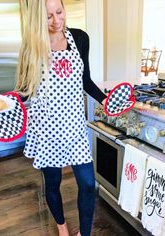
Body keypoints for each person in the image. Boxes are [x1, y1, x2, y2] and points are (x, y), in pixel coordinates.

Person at [15, 0, 106, 235]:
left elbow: (85, 79)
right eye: (48, 17)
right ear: (38, 18)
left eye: (59, 12)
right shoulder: (31, 46)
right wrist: (5, 104)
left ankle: (84, 234)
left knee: (87, 184)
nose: (56, 20)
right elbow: (25, 90)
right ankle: (62, 227)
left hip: (74, 126)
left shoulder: (80, 38)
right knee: (52, 183)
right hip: (45, 129)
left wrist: (106, 100)